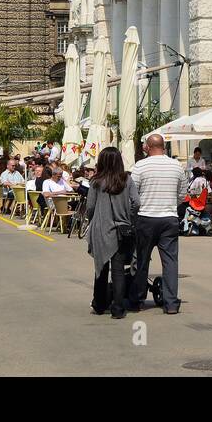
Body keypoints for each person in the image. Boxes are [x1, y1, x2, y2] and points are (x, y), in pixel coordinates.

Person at [130, 133, 188, 314]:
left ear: (147, 147)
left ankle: (138, 299)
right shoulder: (177, 166)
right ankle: (171, 303)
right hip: (169, 218)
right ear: (164, 146)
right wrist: (170, 203)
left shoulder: (140, 166)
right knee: (170, 261)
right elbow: (182, 193)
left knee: (142, 260)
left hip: (146, 217)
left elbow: (133, 194)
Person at [87, 148, 139, 319]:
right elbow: (136, 203)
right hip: (122, 229)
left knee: (101, 268)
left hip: (101, 228)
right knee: (118, 271)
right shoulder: (127, 179)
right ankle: (118, 308)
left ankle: (99, 304)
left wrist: (93, 220)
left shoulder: (96, 181)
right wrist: (129, 218)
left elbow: (90, 207)